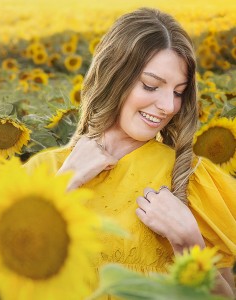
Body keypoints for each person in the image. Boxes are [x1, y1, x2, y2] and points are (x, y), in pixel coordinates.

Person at [24, 7, 236, 298]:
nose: (168, 106)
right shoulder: (43, 171)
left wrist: (190, 245)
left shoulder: (193, 180)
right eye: (151, 85)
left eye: (178, 92)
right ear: (114, 76)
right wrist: (65, 184)